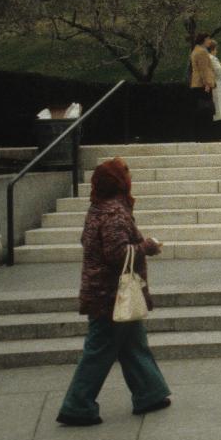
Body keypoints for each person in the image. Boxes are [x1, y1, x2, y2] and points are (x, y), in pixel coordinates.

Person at [55, 158, 171, 426]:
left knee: (132, 343)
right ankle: (77, 405)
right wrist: (147, 247)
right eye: (126, 175)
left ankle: (150, 393)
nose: (130, 179)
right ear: (119, 182)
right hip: (111, 294)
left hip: (104, 291)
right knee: (100, 348)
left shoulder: (98, 209)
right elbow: (116, 253)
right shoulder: (114, 214)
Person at [188, 33, 216, 141]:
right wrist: (208, 84)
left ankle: (199, 135)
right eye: (208, 39)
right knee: (205, 110)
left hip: (196, 83)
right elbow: (204, 69)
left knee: (199, 109)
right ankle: (205, 135)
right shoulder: (202, 52)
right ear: (204, 40)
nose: (210, 41)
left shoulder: (195, 50)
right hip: (202, 84)